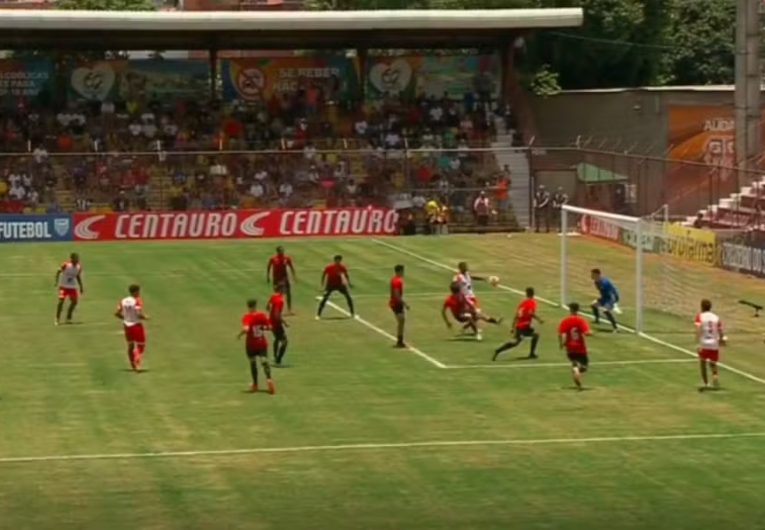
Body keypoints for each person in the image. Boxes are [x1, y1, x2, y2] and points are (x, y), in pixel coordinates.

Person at [493, 287, 543, 360]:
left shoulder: (522, 303)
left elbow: (516, 315)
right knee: (516, 342)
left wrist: (512, 327)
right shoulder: (532, 302)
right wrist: (539, 319)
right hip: (523, 326)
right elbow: (531, 313)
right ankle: (498, 350)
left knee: (534, 336)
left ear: (526, 294)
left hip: (520, 326)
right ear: (533, 294)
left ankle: (532, 354)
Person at [238, 299, 275, 394]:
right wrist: (263, 328)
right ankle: (269, 379)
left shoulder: (246, 316)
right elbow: (270, 327)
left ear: (248, 306)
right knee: (264, 361)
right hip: (261, 343)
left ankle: (255, 384)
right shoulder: (261, 315)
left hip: (251, 344)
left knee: (253, 363)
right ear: (255, 306)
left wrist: (239, 334)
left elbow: (246, 329)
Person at [114, 284, 149, 372]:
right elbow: (138, 314)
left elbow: (117, 313)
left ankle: (132, 364)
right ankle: (136, 354)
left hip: (127, 325)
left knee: (130, 345)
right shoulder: (137, 300)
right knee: (141, 345)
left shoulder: (123, 300)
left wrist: (125, 318)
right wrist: (145, 317)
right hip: (136, 325)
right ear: (136, 291)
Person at [558, 302, 592, 390]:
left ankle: (575, 369)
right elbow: (586, 333)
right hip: (580, 347)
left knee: (574, 361)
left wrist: (561, 344)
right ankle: (577, 371)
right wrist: (591, 333)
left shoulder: (565, 320)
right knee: (584, 366)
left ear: (570, 309)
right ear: (578, 310)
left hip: (569, 347)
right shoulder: (580, 320)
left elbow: (560, 333)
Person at [694, 299, 725, 391]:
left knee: (702, 364)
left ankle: (705, 383)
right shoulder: (716, 317)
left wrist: (697, 341)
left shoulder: (700, 316)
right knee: (713, 364)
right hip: (714, 344)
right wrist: (722, 339)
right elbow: (720, 330)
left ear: (702, 307)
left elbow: (698, 329)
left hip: (704, 343)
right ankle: (715, 376)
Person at [316, 255, 355, 319]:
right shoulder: (329, 267)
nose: (338, 262)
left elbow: (346, 274)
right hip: (330, 285)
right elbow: (324, 274)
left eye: (339, 260)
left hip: (340, 285)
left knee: (348, 297)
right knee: (325, 298)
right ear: (335, 260)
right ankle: (318, 314)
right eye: (337, 260)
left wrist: (349, 283)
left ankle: (352, 313)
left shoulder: (342, 267)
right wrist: (322, 285)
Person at [55, 252, 84, 326]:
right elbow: (58, 272)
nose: (77, 260)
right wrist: (56, 281)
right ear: (72, 259)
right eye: (76, 258)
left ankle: (68, 317)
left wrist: (81, 286)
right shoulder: (66, 264)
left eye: (78, 258)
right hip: (63, 286)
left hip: (72, 287)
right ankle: (57, 319)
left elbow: (78, 276)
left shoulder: (79, 266)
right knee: (61, 302)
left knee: (74, 302)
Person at [266, 246, 296, 314]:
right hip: (276, 279)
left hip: (284, 278)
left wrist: (293, 276)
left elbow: (291, 267)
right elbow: (269, 267)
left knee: (288, 293)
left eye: (283, 251)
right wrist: (268, 277)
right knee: (277, 295)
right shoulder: (273, 258)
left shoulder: (287, 258)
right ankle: (274, 308)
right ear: (278, 252)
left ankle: (289, 309)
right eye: (281, 251)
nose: (282, 252)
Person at [267, 283, 289, 366]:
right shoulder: (280, 300)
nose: (285, 289)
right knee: (285, 341)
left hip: (271, 321)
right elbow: (277, 315)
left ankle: (275, 356)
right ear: (281, 289)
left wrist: (271, 315)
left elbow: (267, 307)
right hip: (276, 323)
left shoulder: (273, 296)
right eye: (284, 288)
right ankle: (278, 360)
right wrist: (284, 322)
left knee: (276, 338)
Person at [389, 264, 408, 348]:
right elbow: (397, 295)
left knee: (401, 321)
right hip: (396, 304)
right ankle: (399, 341)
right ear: (399, 271)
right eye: (402, 271)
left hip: (395, 303)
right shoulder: (397, 281)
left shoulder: (394, 279)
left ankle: (400, 341)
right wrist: (404, 303)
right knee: (401, 321)